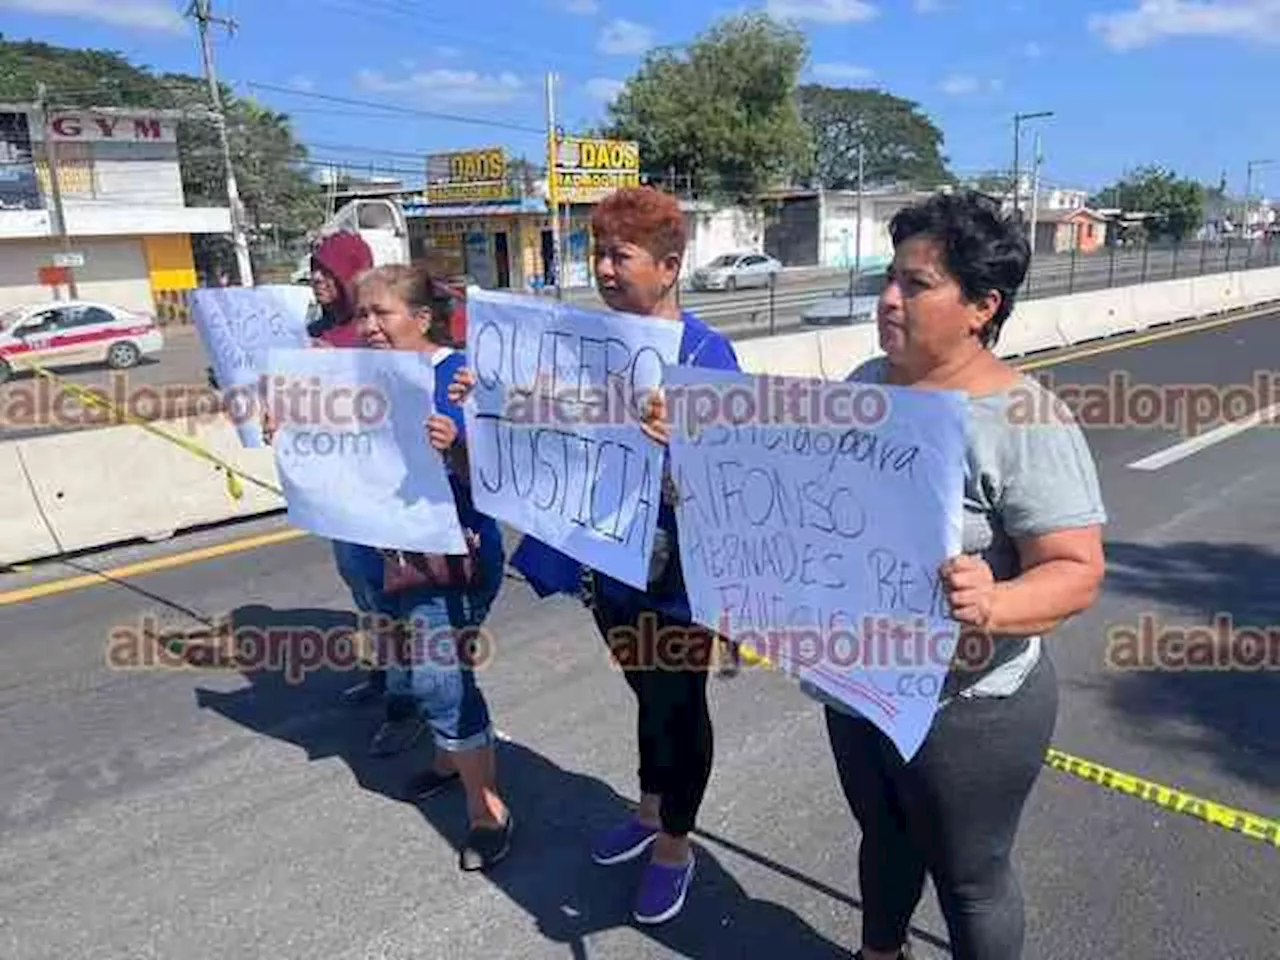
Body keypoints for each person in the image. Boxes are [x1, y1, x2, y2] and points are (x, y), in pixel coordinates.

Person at [810, 190, 1107, 960]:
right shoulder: (864, 383)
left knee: (970, 879)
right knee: (883, 835)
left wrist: (995, 600)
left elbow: (1075, 572)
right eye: (889, 277)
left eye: (916, 284)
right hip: (863, 684)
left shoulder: (1021, 417)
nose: (887, 298)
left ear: (982, 306)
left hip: (969, 708)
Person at [450, 186, 740, 924]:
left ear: (670, 265)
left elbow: (737, 481)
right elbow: (542, 441)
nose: (606, 269)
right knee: (645, 695)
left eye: (622, 254)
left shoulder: (708, 353)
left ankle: (676, 841)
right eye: (598, 253)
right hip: (608, 567)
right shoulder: (584, 344)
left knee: (679, 708)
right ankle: (648, 808)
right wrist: (480, 396)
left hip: (677, 579)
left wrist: (681, 448)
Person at [351, 262, 515, 871]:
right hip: (384, 555)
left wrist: (459, 449)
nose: (366, 325)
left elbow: (498, 482)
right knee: (444, 666)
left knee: (440, 677)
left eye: (380, 313)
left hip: (450, 559)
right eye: (360, 313)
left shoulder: (462, 377)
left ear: (421, 318)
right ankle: (452, 756)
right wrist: (288, 428)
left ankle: (486, 809)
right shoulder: (354, 378)